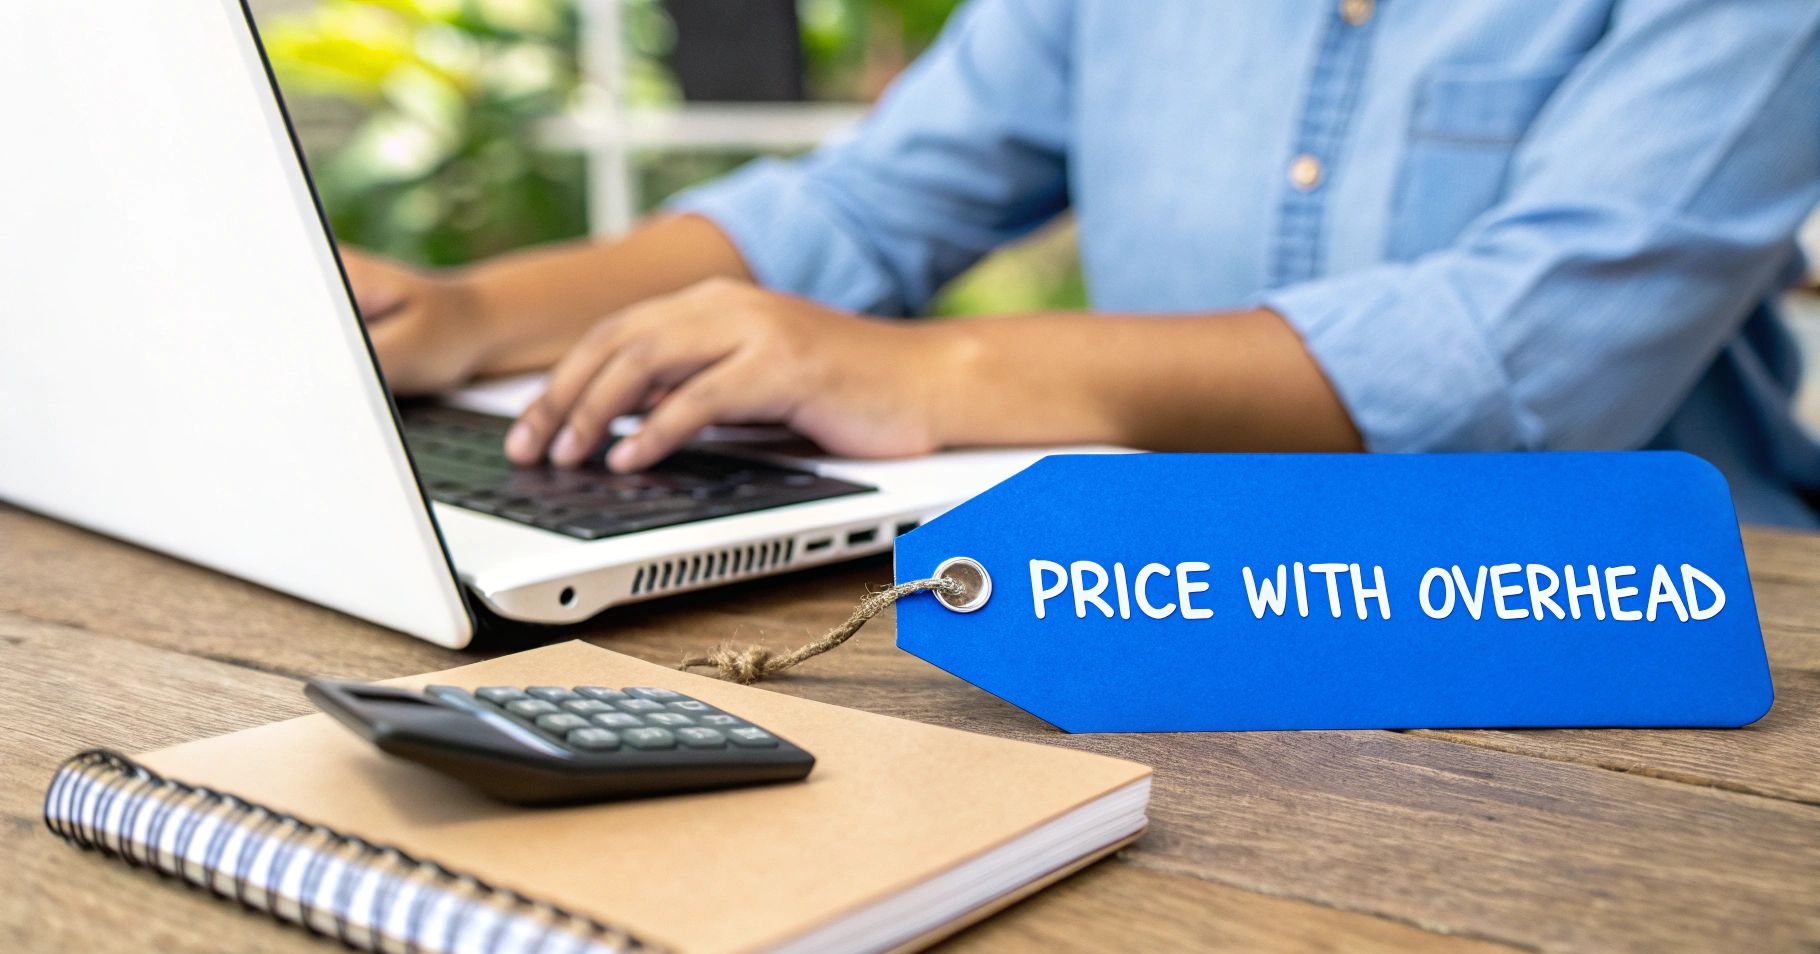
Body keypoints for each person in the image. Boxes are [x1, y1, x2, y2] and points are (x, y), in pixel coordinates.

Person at [345, 0, 1820, 526]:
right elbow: (863, 208)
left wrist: (935, 373)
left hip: (1636, 641)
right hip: (1184, 604)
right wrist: (466, 315)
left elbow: (1522, 348)